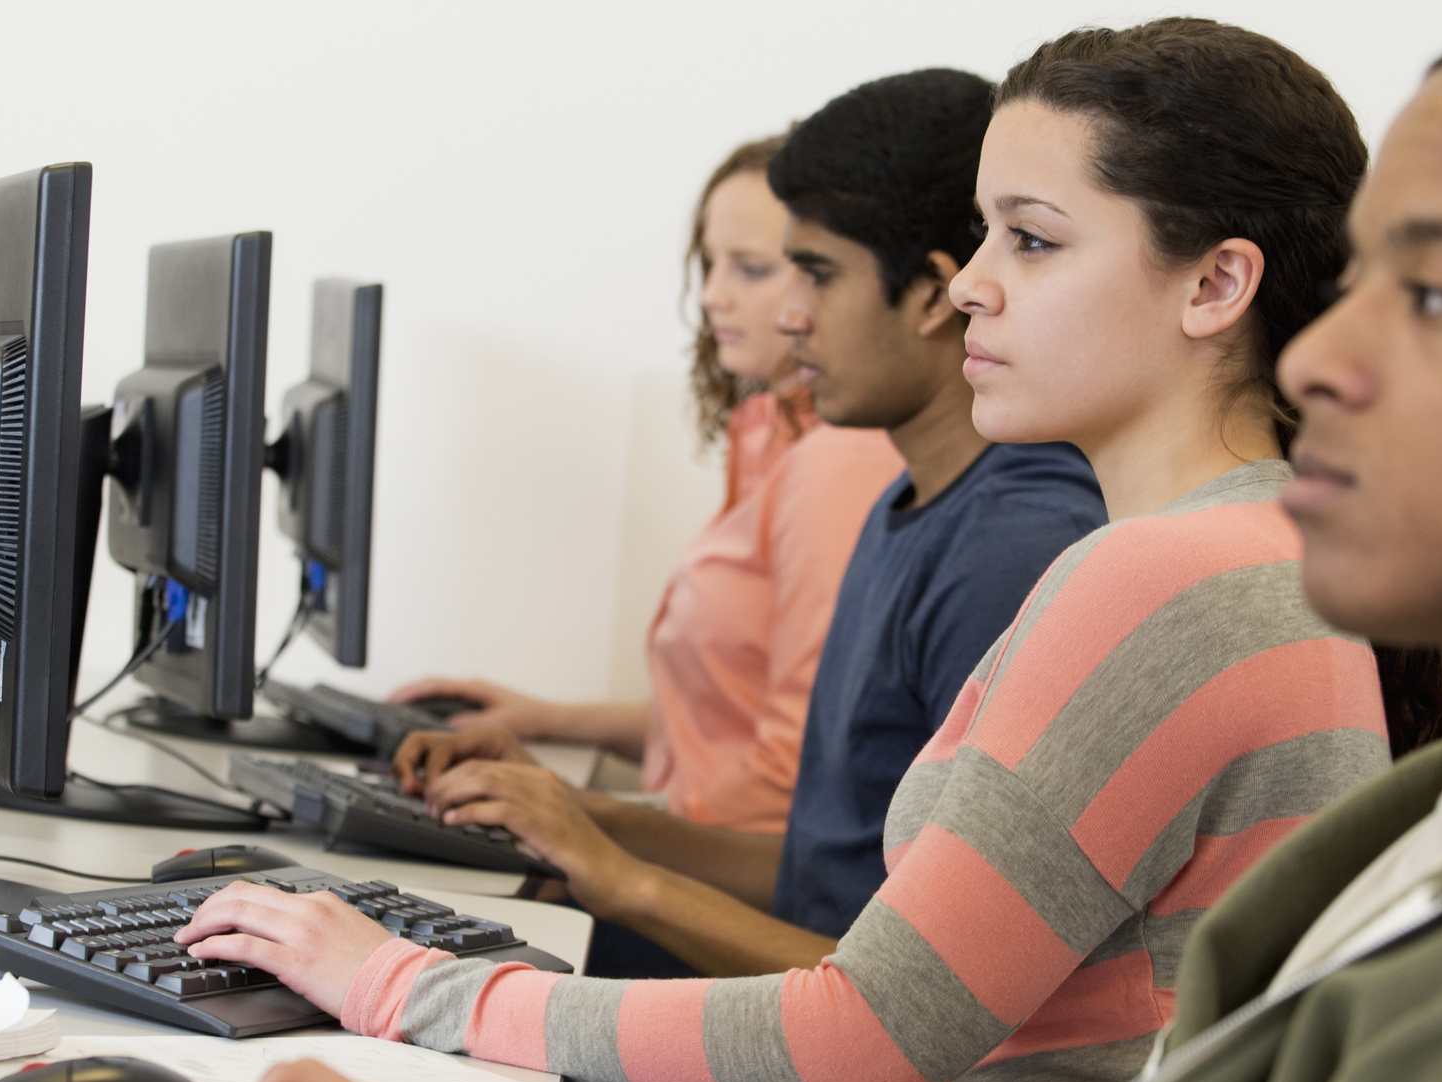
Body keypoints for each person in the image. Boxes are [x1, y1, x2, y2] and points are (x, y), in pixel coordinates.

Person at [65, 6, 1442, 1082]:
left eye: (1435, 293)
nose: (1328, 358)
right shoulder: (1422, 827)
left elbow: (877, 1045)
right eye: (1361, 280)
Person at [166, 20, 1390, 1082]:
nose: (969, 286)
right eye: (981, 237)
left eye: (1029, 240)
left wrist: (400, 985)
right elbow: (1031, 1032)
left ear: (1214, 284)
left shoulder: (1167, 583)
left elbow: (855, 1042)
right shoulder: (1250, 550)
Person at [393, 69, 1105, 986]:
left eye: (813, 274)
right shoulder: (911, 503)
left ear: (931, 294)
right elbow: (826, 880)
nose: (788, 316)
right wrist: (577, 815)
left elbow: (920, 996)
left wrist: (621, 880)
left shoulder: (1010, 549)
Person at [392, 136, 904, 836]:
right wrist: (541, 719)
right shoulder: (766, 435)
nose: (712, 294)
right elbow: (714, 721)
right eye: (708, 262)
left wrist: (587, 834)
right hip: (677, 845)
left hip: (715, 878)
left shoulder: (840, 462)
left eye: (751, 268)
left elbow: (788, 772)